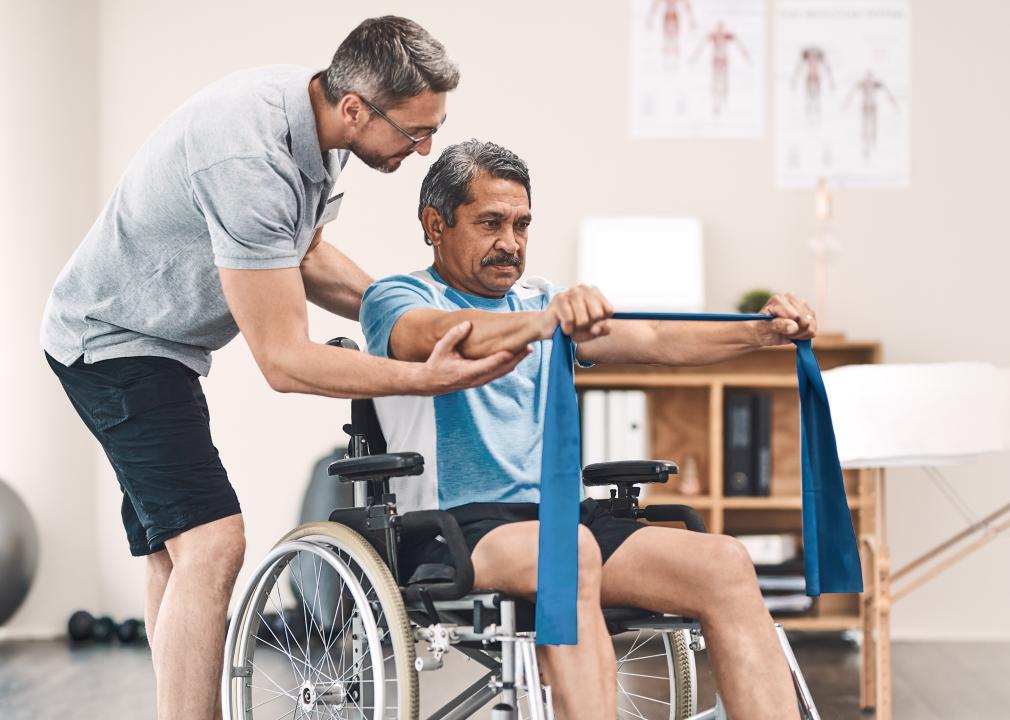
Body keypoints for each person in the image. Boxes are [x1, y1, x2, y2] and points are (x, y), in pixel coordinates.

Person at [41, 17, 526, 720]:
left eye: (434, 131)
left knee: (178, 555)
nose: (424, 152)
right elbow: (285, 361)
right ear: (357, 107)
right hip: (114, 342)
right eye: (414, 134)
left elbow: (300, 254)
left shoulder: (321, 131)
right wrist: (427, 376)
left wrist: (404, 313)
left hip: (163, 346)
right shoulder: (246, 157)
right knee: (214, 543)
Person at [360, 140, 818, 720]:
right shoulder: (397, 297)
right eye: (491, 223)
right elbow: (439, 335)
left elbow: (652, 337)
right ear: (436, 224)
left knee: (723, 562)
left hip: (562, 520)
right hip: (455, 528)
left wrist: (760, 332)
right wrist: (544, 322)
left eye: (522, 224)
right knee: (569, 552)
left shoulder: (539, 298)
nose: (511, 243)